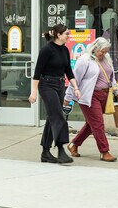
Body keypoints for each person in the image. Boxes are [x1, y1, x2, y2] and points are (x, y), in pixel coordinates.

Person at [29, 24, 80, 164]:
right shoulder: (46, 50)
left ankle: (45, 152)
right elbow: (37, 72)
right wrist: (33, 92)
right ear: (58, 35)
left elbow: (68, 71)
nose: (68, 36)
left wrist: (76, 87)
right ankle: (61, 150)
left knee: (52, 118)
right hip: (47, 85)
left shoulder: (64, 50)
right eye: (67, 34)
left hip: (60, 85)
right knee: (58, 116)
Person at [65, 37, 118, 162]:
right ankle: (104, 151)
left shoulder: (106, 60)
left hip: (105, 95)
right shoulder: (84, 60)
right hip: (90, 96)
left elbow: (111, 78)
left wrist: (117, 91)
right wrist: (68, 98)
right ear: (95, 48)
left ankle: (73, 144)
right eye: (102, 51)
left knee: (92, 125)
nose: (103, 54)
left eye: (106, 51)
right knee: (98, 124)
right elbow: (74, 80)